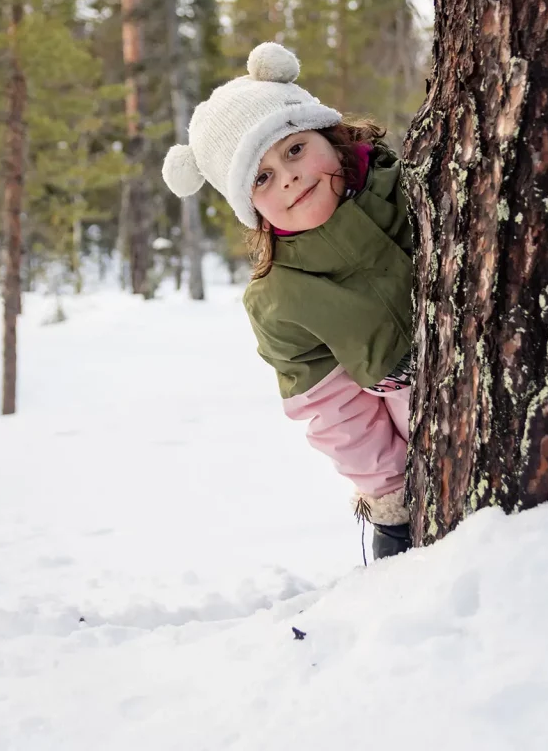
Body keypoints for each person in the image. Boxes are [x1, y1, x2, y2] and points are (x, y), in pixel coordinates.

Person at [162, 42, 413, 560]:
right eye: (263, 177)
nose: (290, 176)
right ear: (250, 206)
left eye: (294, 149)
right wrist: (391, 495)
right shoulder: (281, 299)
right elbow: (336, 409)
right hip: (443, 442)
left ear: (328, 134)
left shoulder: (409, 188)